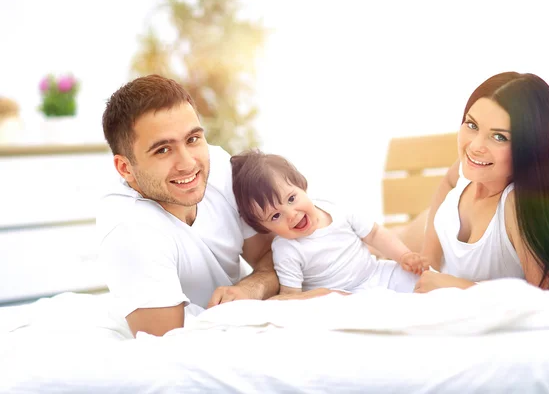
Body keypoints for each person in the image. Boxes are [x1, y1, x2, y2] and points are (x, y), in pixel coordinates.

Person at [97, 75, 285, 338]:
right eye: (163, 150)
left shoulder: (217, 166)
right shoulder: (128, 228)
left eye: (193, 139)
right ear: (125, 168)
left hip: (237, 318)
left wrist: (253, 288)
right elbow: (171, 346)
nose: (188, 164)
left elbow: (277, 254)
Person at [409, 71, 549, 293]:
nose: (475, 146)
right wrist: (429, 256)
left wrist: (458, 287)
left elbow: (543, 297)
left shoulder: (516, 205)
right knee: (376, 242)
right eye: (471, 125)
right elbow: (448, 182)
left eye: (499, 137)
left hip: (437, 264)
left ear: (530, 148)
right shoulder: (464, 171)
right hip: (419, 233)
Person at [231, 150, 427, 295]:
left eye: (291, 199)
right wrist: (324, 296)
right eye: (275, 216)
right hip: (340, 298)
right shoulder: (287, 250)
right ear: (265, 229)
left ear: (301, 184)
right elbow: (291, 298)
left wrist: (404, 256)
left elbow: (375, 234)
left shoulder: (337, 210)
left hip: (377, 273)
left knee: (426, 280)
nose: (291, 214)